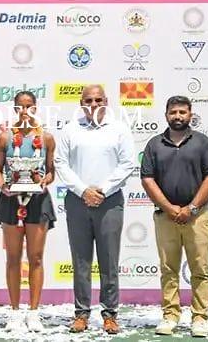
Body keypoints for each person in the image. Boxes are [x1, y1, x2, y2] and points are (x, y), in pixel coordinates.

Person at [54, 84, 135, 334]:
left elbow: (128, 163)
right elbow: (60, 163)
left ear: (106, 101)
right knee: (81, 261)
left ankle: (110, 314)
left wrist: (103, 190)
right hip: (77, 201)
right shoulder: (70, 129)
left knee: (109, 260)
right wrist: (83, 191)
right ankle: (81, 314)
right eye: (88, 100)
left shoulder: (119, 129)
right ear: (81, 103)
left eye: (98, 100)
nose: (93, 104)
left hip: (109, 201)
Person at [141, 96, 208, 338]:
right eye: (173, 112)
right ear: (166, 115)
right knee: (168, 269)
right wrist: (169, 208)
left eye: (182, 112)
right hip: (166, 218)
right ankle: (170, 315)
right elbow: (147, 179)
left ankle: (200, 318)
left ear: (190, 114)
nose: (178, 116)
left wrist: (191, 208)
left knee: (200, 269)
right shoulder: (154, 144)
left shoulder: (203, 143)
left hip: (197, 217)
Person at [0, 90, 56, 332]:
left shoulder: (46, 138)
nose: (25, 110)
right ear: (15, 109)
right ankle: (14, 311)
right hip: (11, 200)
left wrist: (44, 181)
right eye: (20, 106)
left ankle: (34, 312)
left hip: (38, 200)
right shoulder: (5, 138)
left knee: (36, 257)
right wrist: (3, 186)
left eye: (30, 106)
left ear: (36, 108)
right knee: (13, 258)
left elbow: (50, 171)